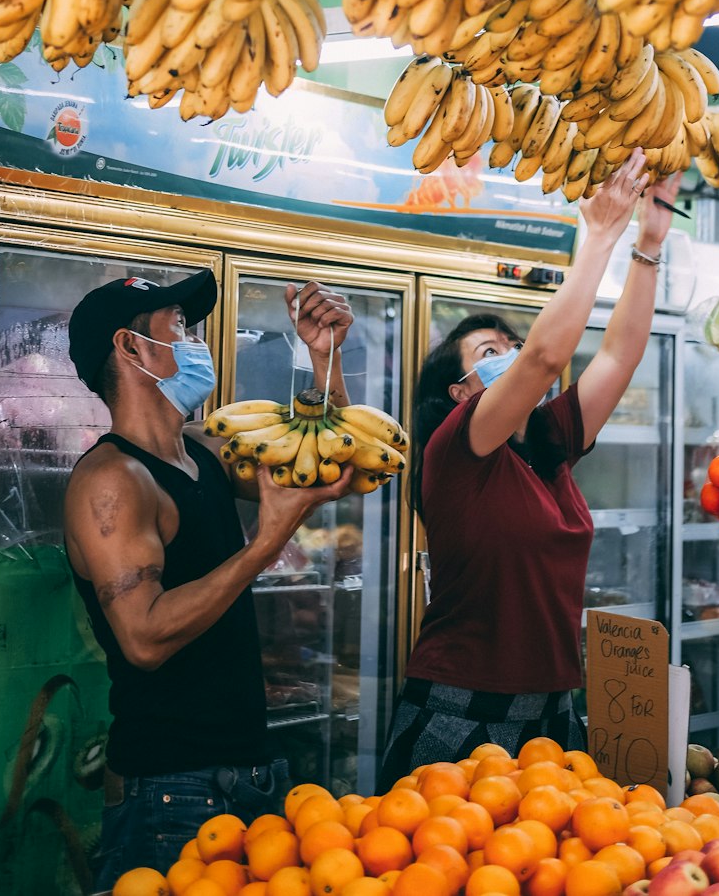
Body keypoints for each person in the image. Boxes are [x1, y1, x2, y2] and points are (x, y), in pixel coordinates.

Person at [379, 150, 681, 785]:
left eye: (509, 346)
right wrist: (597, 235)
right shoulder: (457, 450)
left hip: (554, 709)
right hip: (463, 709)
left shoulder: (549, 443)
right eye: (489, 353)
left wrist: (649, 244)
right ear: (460, 393)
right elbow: (545, 356)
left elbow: (621, 355)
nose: (511, 357)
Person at [63, 269, 354, 887]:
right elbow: (143, 639)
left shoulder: (204, 451)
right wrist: (264, 546)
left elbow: (336, 468)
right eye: (181, 326)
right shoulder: (111, 481)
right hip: (169, 788)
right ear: (131, 347)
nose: (199, 342)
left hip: (249, 770)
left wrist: (324, 359)